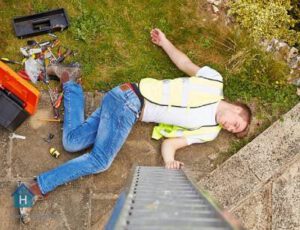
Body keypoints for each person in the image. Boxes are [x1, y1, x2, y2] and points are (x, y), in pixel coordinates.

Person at [18, 28, 252, 223]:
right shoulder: (214, 81)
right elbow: (185, 63)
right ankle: (34, 188)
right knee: (100, 161)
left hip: (124, 105)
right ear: (237, 109)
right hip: (132, 99)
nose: (230, 127)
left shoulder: (210, 132)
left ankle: (70, 78)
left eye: (233, 130)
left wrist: (170, 161)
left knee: (72, 141)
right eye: (236, 123)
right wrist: (165, 42)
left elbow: (172, 143)